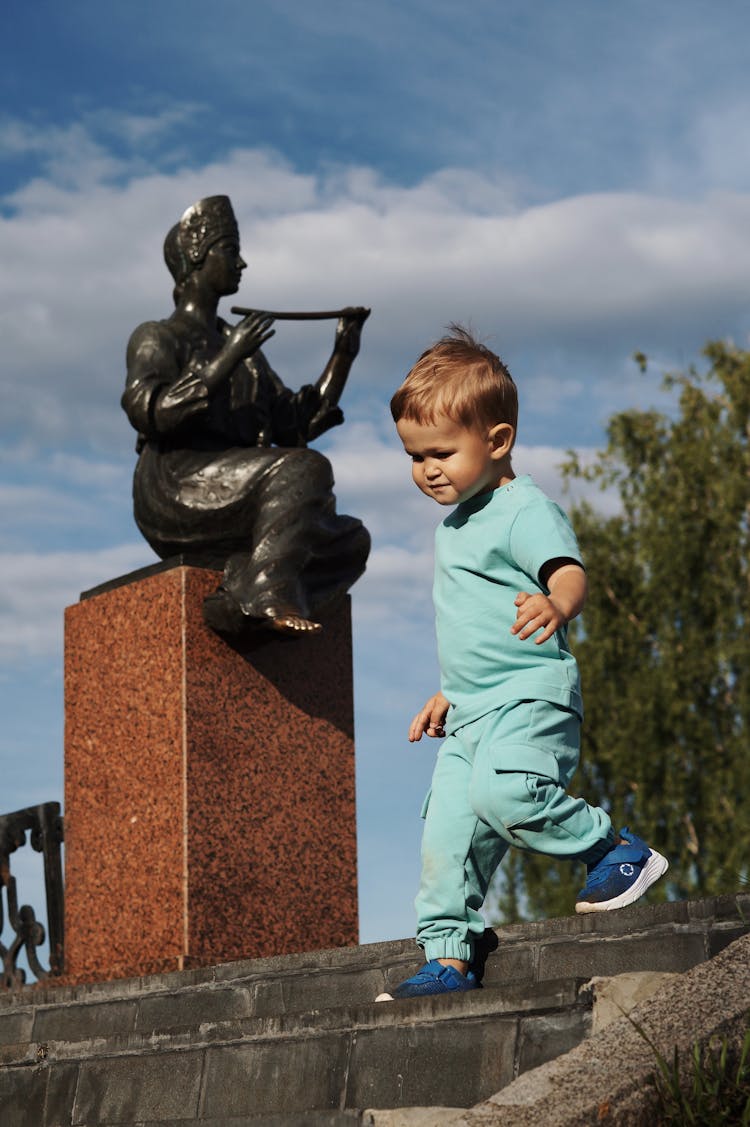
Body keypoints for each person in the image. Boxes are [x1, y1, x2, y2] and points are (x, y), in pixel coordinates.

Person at [377, 327, 667, 1001]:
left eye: (442, 452)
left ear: (498, 440)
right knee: (445, 833)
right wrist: (447, 692)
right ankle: (448, 956)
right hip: (473, 710)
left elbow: (568, 572)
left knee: (505, 795)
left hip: (531, 697)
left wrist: (558, 604)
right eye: (415, 456)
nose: (427, 469)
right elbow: (474, 628)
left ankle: (613, 850)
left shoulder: (520, 508)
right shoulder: (454, 528)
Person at [122, 195, 370, 636]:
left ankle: (236, 600)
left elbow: (295, 426)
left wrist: (343, 355)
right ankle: (268, 594)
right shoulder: (157, 336)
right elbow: (151, 413)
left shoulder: (244, 352)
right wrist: (227, 359)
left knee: (348, 541)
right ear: (198, 255)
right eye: (231, 250)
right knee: (304, 471)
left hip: (235, 488)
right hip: (176, 484)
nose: (242, 263)